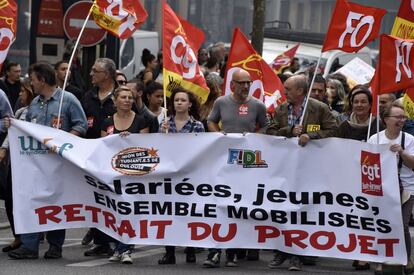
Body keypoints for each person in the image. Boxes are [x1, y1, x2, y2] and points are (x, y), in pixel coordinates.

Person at [8, 62, 87, 260]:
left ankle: (55, 245)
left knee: (56, 203)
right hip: (35, 164)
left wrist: (64, 144)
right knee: (31, 201)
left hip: (59, 164)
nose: (31, 83)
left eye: (33, 79)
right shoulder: (35, 103)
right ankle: (29, 246)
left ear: (42, 80)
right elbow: (27, 129)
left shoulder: (68, 100)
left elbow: (81, 125)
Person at [266, 74, 337, 271]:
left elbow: (334, 130)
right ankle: (280, 252)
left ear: (300, 91)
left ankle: (297, 254)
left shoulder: (319, 108)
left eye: (287, 89)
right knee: (281, 209)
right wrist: (289, 130)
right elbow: (270, 132)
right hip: (285, 169)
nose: (284, 92)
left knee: (301, 211)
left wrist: (310, 135)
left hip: (310, 169)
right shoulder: (281, 109)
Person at [205, 68, 268, 268]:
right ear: (233, 84)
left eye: (249, 82)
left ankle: (232, 252)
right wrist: (219, 135)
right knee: (218, 203)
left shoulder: (257, 105)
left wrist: (253, 139)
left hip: (247, 163)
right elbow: (210, 121)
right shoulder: (221, 102)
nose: (246, 86)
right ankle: (214, 252)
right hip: (223, 160)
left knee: (238, 206)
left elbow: (265, 126)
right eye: (242, 83)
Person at [101, 86, 149, 264]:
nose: (128, 100)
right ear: (115, 101)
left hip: (133, 174)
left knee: (129, 210)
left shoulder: (141, 121)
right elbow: (102, 147)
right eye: (123, 97)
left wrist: (132, 140)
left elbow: (145, 149)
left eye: (130, 97)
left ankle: (125, 248)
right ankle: (119, 246)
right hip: (113, 174)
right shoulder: (106, 122)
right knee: (115, 211)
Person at [157, 86, 204, 265]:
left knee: (189, 213)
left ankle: (190, 249)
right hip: (169, 175)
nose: (179, 103)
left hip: (189, 175)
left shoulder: (197, 125)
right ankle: (169, 252)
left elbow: (201, 149)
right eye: (176, 100)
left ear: (190, 104)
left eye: (183, 100)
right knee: (168, 213)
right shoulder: (165, 124)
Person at [368, 103, 414, 275]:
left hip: (406, 189)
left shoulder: (409, 140)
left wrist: (402, 153)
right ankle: (381, 261)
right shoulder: (375, 139)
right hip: (382, 189)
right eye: (398, 117)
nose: (402, 120)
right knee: (382, 225)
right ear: (386, 120)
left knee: (401, 225)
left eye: (403, 117)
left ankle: (405, 259)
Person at [81, 58, 117, 255]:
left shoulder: (121, 95)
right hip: (91, 154)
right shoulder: (88, 96)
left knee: (113, 199)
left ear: (107, 75)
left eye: (95, 71)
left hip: (114, 157)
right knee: (95, 198)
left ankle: (115, 240)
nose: (91, 74)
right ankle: (100, 241)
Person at [0, 78, 34, 254]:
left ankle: (33, 239)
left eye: (23, 91)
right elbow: (12, 131)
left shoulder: (37, 112)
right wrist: (4, 148)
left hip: (32, 164)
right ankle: (19, 236)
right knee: (11, 199)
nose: (20, 94)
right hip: (16, 163)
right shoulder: (20, 112)